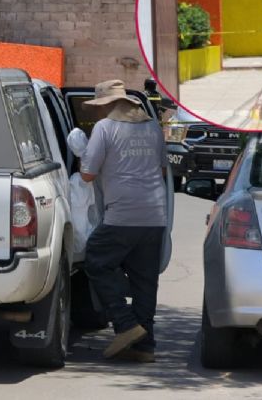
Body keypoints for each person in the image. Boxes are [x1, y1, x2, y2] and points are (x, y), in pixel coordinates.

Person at [79, 79, 168, 363]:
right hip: (155, 215)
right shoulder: (153, 128)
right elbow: (163, 170)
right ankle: (145, 346)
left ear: (106, 105)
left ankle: (126, 324)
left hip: (121, 215)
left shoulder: (105, 128)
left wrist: (81, 153)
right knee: (145, 281)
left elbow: (87, 175)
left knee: (96, 258)